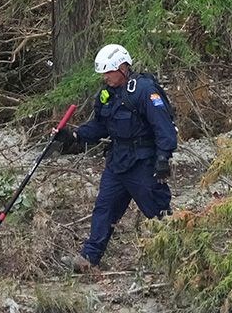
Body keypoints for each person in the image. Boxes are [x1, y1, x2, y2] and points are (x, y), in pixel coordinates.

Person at [55, 43, 177, 272]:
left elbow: (164, 126)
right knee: (104, 208)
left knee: (157, 210)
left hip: (142, 163)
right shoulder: (106, 95)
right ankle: (89, 259)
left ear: (122, 68)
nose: (105, 78)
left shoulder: (144, 90)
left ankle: (178, 254)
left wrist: (163, 158)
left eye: (108, 72)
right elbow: (101, 126)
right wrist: (74, 135)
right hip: (117, 162)